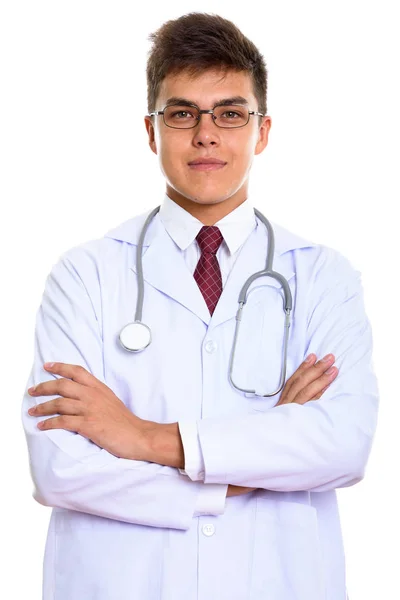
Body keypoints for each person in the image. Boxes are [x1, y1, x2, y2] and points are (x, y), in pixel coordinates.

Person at [21, 12, 379, 600]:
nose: (206, 134)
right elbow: (60, 468)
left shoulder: (321, 276)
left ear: (261, 132)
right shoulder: (84, 275)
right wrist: (254, 460)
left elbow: (340, 445)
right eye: (182, 113)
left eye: (231, 114)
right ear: (151, 130)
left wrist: (141, 437)